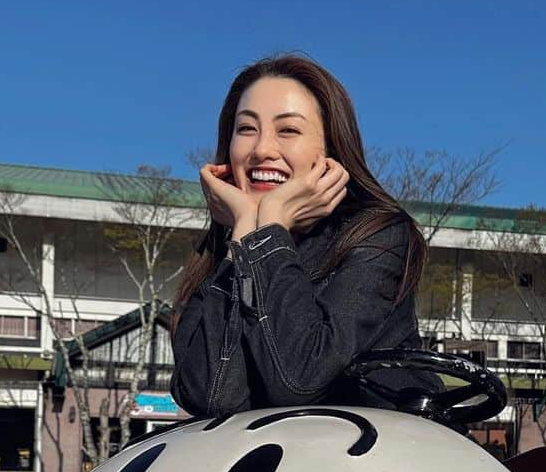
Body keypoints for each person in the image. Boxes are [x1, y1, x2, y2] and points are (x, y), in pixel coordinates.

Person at [171, 54, 432, 417]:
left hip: (372, 464)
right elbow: (212, 396)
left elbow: (298, 379)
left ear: (330, 151)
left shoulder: (378, 235)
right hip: (268, 466)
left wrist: (270, 228)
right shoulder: (225, 246)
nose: (262, 149)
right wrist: (247, 228)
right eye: (246, 129)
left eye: (288, 130)